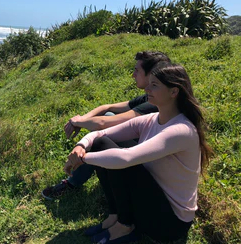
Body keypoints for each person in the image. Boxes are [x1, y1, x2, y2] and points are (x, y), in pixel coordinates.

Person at [64, 63, 212, 243]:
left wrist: (83, 159)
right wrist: (81, 145)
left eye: (154, 85)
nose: (147, 88)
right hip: (151, 199)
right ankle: (115, 216)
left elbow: (126, 158)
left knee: (119, 158)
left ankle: (125, 226)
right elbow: (101, 134)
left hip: (170, 223)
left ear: (174, 92)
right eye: (149, 83)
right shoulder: (151, 120)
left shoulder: (181, 130)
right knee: (101, 143)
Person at [42, 51, 171, 200]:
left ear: (151, 74)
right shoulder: (150, 96)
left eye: (137, 70)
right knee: (106, 120)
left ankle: (72, 183)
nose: (133, 75)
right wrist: (82, 119)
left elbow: (103, 123)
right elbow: (107, 107)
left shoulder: (153, 103)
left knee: (102, 131)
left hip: (149, 167)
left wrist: (77, 122)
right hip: (140, 154)